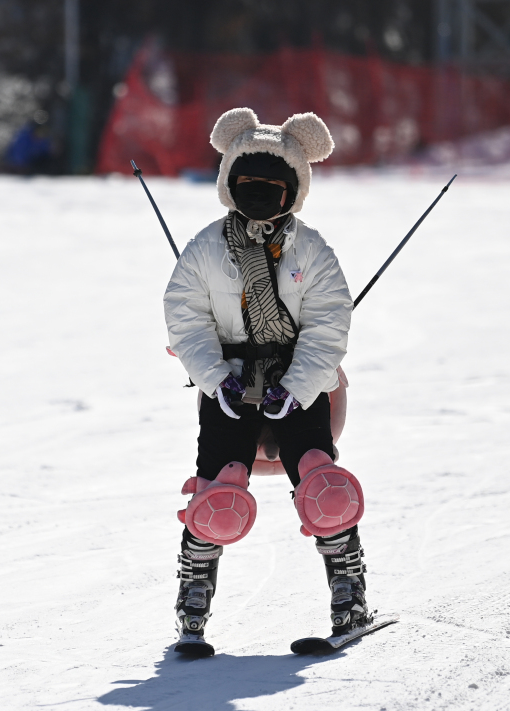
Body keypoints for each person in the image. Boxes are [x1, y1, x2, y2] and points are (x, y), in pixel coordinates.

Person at [164, 108, 365, 656]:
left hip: (298, 382)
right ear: (229, 182)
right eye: (248, 183)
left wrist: (298, 388)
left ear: (294, 192)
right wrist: (214, 379)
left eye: (275, 187)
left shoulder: (312, 251)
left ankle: (351, 598)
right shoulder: (206, 249)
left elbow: (329, 325)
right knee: (218, 487)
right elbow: (186, 318)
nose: (261, 195)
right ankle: (192, 608)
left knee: (321, 483)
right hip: (227, 385)